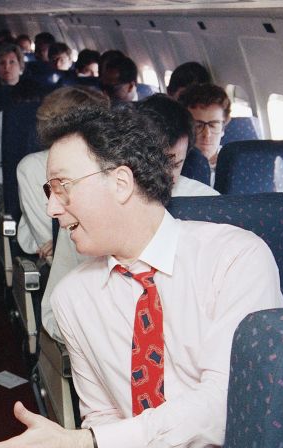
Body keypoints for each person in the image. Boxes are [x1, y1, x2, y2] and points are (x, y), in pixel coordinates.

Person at [0, 104, 283, 448]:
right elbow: (103, 410)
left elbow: (224, 408)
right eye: (49, 192)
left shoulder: (234, 258)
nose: (52, 208)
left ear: (120, 182)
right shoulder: (74, 297)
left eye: (62, 187)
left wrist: (82, 446)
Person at [41, 94, 219, 342]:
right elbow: (54, 313)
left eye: (173, 164)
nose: (157, 175)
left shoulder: (214, 212)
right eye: (147, 162)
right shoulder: (84, 221)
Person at [15, 86, 109, 259]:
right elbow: (49, 239)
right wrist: (59, 242)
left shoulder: (108, 161)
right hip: (60, 260)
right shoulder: (32, 167)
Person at [179, 83, 232, 185]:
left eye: (213, 125)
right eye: (198, 125)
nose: (206, 134)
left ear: (223, 128)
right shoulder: (175, 166)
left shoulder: (235, 163)